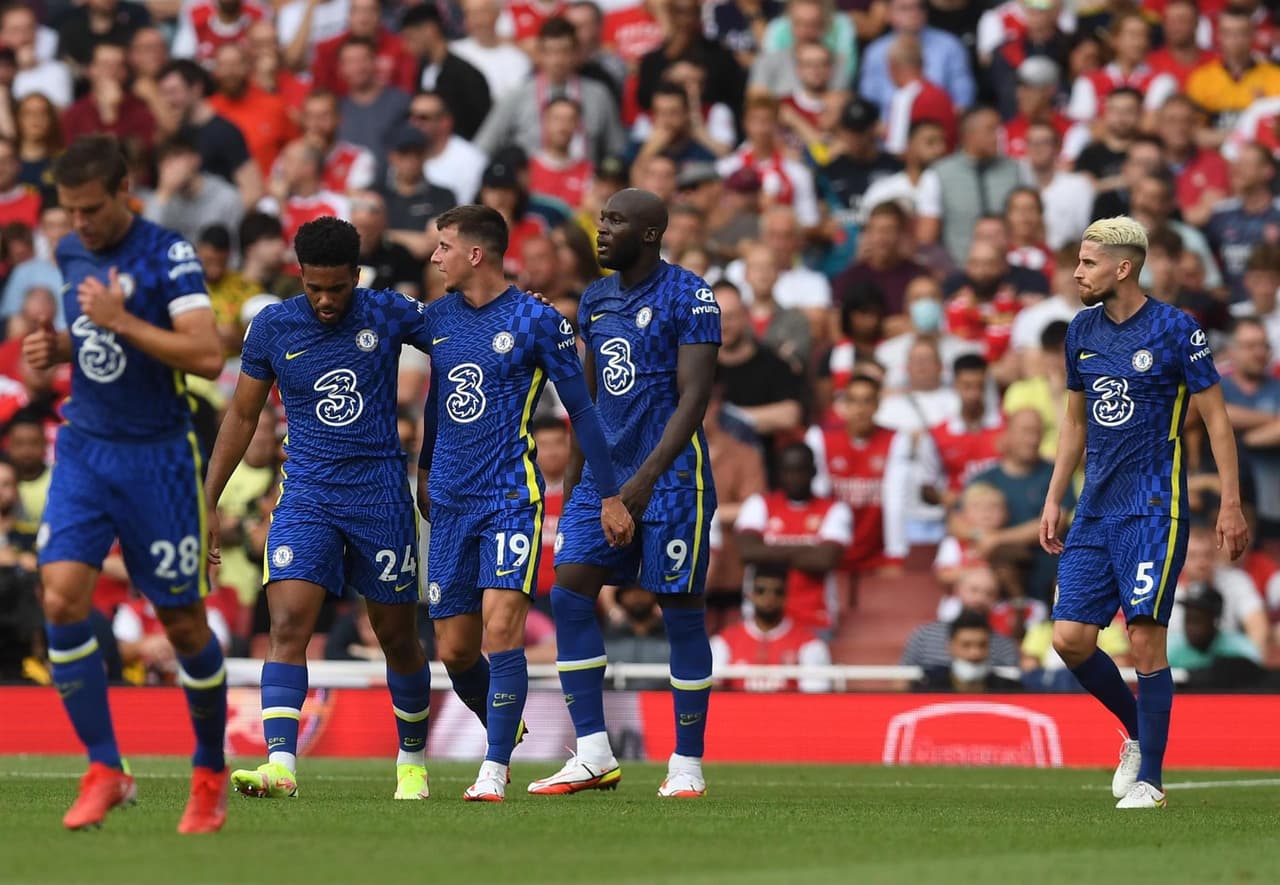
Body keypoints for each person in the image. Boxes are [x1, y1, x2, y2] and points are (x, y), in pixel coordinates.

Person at [22, 135, 225, 832]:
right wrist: (60, 349)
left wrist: (119, 320)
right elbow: (98, 340)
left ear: (124, 192)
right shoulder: (72, 251)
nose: (77, 224)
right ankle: (106, 766)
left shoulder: (168, 255)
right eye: (68, 210)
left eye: (90, 209)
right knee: (59, 595)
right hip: (84, 448)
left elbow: (205, 352)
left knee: (184, 623)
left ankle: (208, 772)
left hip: (159, 457)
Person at [203, 217, 435, 804]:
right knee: (286, 625)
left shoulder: (387, 311)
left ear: (357, 276)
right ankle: (281, 765)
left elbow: (463, 337)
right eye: (315, 288)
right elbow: (241, 416)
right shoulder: (274, 326)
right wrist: (205, 499)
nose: (327, 300)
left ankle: (412, 762)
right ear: (298, 276)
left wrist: (513, 308)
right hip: (306, 496)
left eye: (338, 288)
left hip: (381, 496)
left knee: (397, 637)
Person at [420, 204, 631, 802]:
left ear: (476, 254)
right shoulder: (436, 319)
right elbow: (436, 402)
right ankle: (504, 724)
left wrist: (609, 493)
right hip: (451, 501)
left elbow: (582, 411)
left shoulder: (537, 320)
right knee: (455, 649)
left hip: (511, 495)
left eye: (443, 246)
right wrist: (424, 471)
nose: (435, 256)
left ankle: (494, 768)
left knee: (501, 627)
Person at [1039, 216, 1249, 809]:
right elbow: (1075, 422)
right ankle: (1136, 732)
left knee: (1145, 642)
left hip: (1155, 506)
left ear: (1122, 267)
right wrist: (1056, 495)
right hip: (1096, 508)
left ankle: (1152, 782)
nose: (1077, 272)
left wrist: (1229, 504)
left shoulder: (1177, 330)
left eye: (1087, 262)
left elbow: (1217, 421)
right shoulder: (1080, 329)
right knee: (1070, 639)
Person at [528, 188, 720, 799]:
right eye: (601, 218)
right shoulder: (595, 298)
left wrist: (641, 483)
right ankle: (592, 753)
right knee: (570, 593)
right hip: (604, 481)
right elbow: (585, 398)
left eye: (615, 221)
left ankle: (686, 765)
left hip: (671, 480)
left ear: (652, 233)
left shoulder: (692, 294)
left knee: (681, 612)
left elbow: (694, 397)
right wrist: (578, 481)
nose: (601, 230)